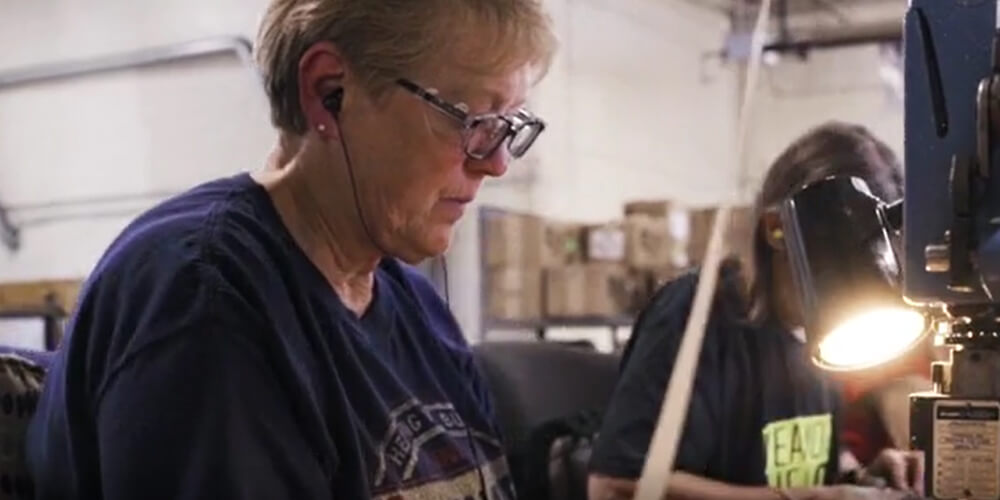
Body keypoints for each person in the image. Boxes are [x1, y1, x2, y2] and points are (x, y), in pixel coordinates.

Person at [26, 1, 555, 499]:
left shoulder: (416, 309)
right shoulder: (204, 295)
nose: (497, 163)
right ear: (329, 91)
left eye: (509, 125)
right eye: (473, 122)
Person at [588, 122, 924, 500]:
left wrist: (862, 477)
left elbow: (798, 466)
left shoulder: (827, 334)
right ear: (777, 230)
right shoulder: (694, 317)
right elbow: (614, 486)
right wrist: (814, 499)